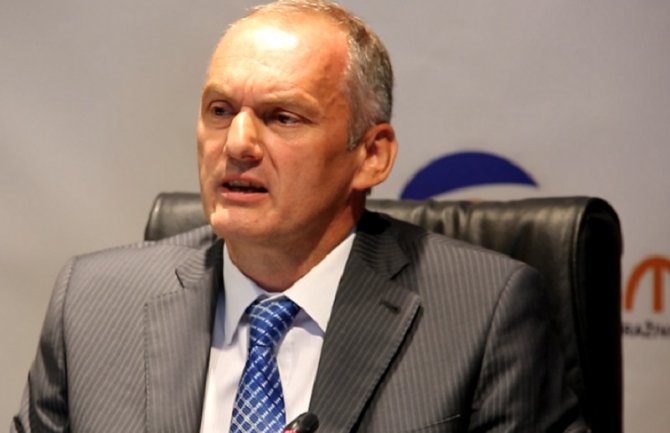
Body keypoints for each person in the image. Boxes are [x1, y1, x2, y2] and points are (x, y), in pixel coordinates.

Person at [12, 1, 585, 432]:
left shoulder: (483, 317)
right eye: (220, 110)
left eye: (283, 117)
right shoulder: (92, 305)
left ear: (372, 155)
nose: (237, 144)